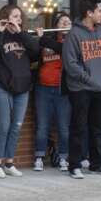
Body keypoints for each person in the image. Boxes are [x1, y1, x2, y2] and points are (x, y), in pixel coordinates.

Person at [0, 4, 40, 178]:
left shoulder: (24, 35)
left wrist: (21, 33)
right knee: (3, 126)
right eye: (15, 16)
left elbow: (36, 52)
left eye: (19, 17)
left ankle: (9, 162)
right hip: (1, 86)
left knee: (16, 126)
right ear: (6, 17)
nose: (18, 19)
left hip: (22, 88)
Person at [63, 0, 101, 178]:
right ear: (89, 13)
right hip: (80, 89)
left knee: (98, 128)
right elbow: (71, 64)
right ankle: (74, 166)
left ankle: (97, 164)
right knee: (78, 128)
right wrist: (90, 79)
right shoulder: (74, 34)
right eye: (99, 10)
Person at [33, 11, 72, 171]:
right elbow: (34, 56)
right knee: (42, 126)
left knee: (63, 127)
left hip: (62, 90)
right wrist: (37, 40)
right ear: (56, 25)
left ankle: (63, 158)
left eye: (68, 21)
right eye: (62, 21)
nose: (65, 23)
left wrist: (43, 38)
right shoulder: (47, 41)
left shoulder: (72, 41)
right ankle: (39, 157)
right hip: (43, 89)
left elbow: (63, 49)